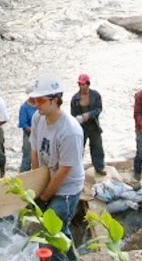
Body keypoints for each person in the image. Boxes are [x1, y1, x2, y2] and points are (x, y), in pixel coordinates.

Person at [28, 74, 84, 261]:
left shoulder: (70, 132)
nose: (37, 104)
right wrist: (35, 185)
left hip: (66, 189)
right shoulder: (38, 118)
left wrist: (44, 197)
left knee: (50, 236)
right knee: (60, 232)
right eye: (34, 99)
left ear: (55, 100)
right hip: (47, 180)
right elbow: (35, 150)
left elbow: (64, 172)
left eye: (41, 100)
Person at [70, 73, 106, 176]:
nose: (82, 86)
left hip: (94, 125)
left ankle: (99, 167)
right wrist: (78, 119)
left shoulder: (96, 95)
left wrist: (88, 115)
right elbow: (73, 114)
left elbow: (99, 109)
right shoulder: (75, 99)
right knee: (79, 148)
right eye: (80, 84)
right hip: (81, 127)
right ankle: (76, 169)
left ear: (88, 84)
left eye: (83, 84)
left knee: (97, 147)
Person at [17, 91, 37, 172]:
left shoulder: (40, 105)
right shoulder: (24, 107)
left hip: (41, 136)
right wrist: (35, 132)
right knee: (27, 159)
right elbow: (23, 125)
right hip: (29, 136)